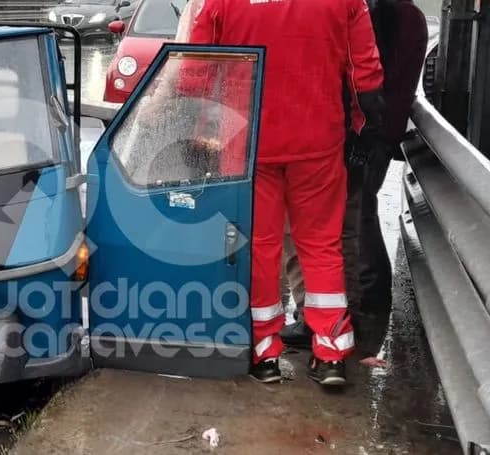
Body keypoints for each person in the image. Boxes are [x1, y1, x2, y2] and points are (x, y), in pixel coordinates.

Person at [180, 0, 385, 385]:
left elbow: (196, 75)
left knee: (259, 247)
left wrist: (197, 133)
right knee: (322, 245)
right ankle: (331, 353)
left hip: (246, 144)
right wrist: (364, 127)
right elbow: (366, 74)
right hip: (318, 140)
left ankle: (264, 354)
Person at [280, 0, 429, 351]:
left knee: (342, 222)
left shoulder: (378, 16)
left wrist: (358, 131)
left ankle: (344, 310)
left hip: (359, 129)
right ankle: (367, 300)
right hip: (379, 129)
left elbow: (362, 76)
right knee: (360, 214)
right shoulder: (409, 17)